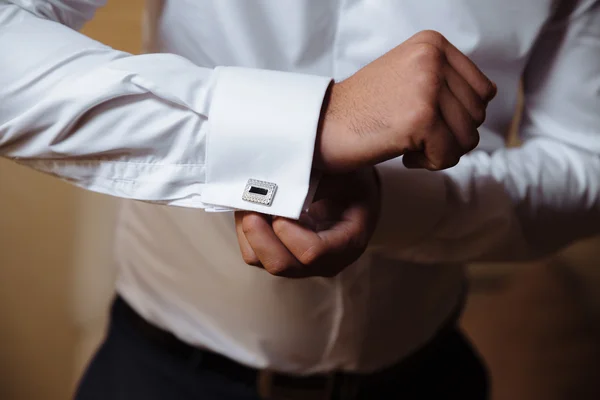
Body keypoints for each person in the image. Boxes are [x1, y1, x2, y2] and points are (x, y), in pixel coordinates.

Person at [1, 0, 599, 399]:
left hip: (428, 376)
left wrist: (398, 202)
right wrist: (308, 128)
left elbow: (588, 156)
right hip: (162, 376)